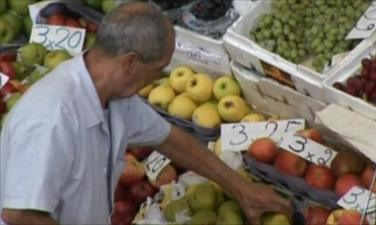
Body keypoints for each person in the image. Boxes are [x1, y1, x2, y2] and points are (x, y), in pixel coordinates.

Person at [0, 2, 292, 225]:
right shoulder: (52, 117)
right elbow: (19, 213)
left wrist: (241, 189)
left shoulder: (114, 96)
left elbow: (170, 139)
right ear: (129, 62)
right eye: (155, 70)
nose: (156, 80)